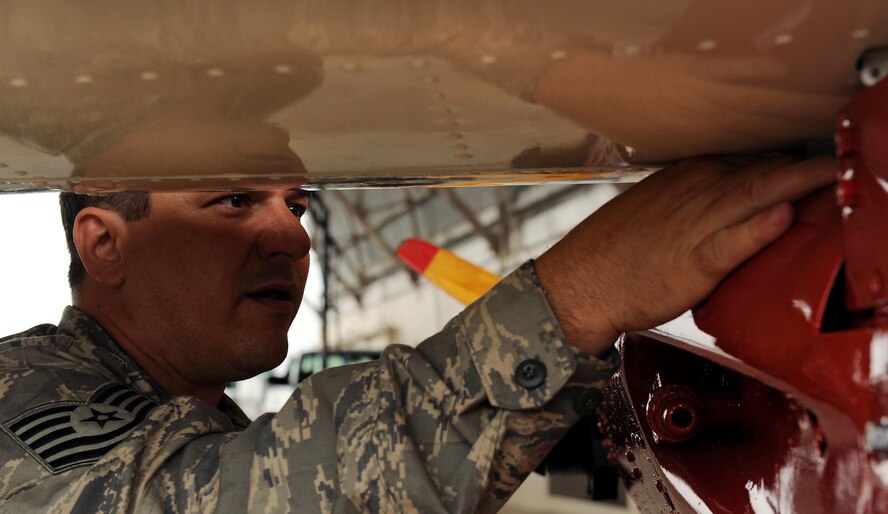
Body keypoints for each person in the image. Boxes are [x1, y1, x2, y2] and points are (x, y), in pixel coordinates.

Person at [0, 154, 834, 512]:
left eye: (296, 206)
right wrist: (581, 291)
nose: (293, 237)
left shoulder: (191, 418)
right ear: (104, 244)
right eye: (231, 202)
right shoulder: (22, 394)